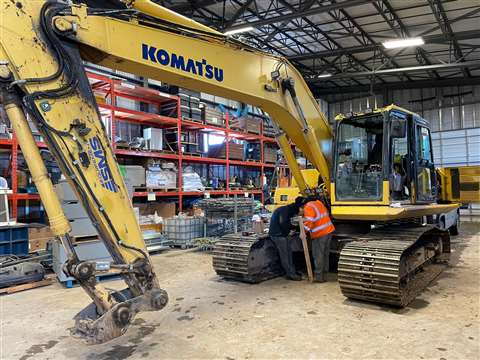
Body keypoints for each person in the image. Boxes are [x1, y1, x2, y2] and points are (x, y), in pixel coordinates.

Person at [268, 196, 307, 281]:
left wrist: (293, 228)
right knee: (285, 255)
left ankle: (292, 271)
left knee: (289, 253)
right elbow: (283, 223)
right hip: (278, 235)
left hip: (282, 234)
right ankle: (291, 274)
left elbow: (286, 223)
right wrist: (293, 229)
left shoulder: (287, 210)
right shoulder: (285, 211)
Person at [303, 198, 335, 282]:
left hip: (320, 234)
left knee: (318, 256)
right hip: (329, 231)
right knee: (325, 255)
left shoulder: (308, 206)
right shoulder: (319, 203)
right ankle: (324, 275)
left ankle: (319, 277)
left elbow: (309, 221)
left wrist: (303, 231)